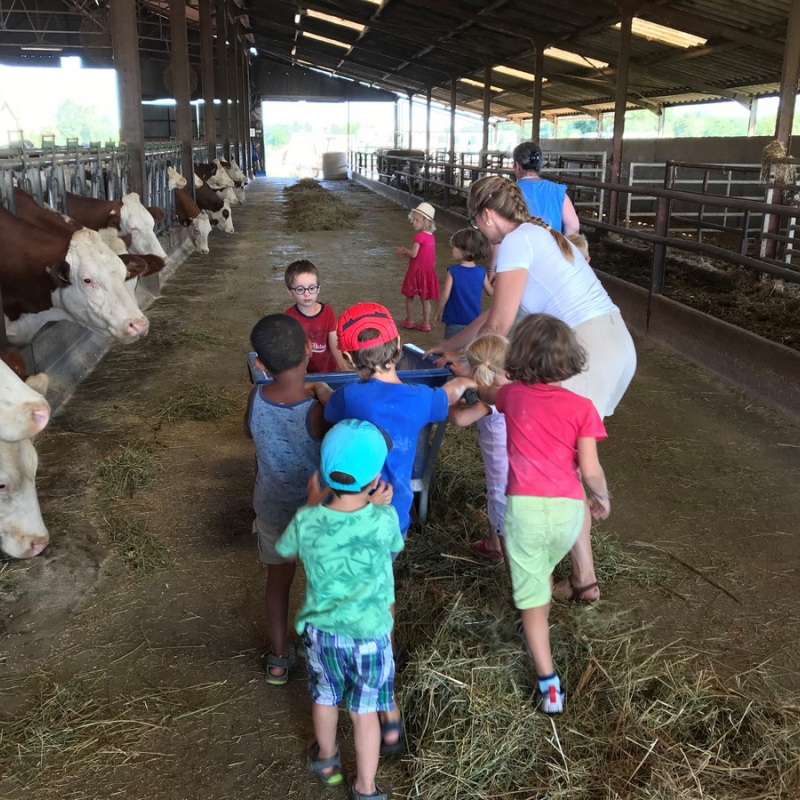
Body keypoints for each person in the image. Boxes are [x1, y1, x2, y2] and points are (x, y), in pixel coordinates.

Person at [426, 175, 636, 604]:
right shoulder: (543, 234)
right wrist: (447, 348)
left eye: (475, 221)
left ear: (486, 216)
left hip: (585, 347)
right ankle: (583, 580)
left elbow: (501, 326)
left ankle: (582, 581)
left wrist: (467, 373)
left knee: (565, 467)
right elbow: (497, 319)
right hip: (614, 343)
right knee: (571, 462)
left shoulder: (517, 242)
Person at [476, 314, 611, 715]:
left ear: (518, 355)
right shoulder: (583, 407)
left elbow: (487, 395)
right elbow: (589, 469)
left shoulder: (513, 396)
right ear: (569, 358)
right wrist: (601, 497)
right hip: (569, 510)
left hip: (525, 511)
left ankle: (549, 684)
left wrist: (473, 377)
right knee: (546, 564)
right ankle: (560, 588)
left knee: (532, 600)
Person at [276, 420, 401, 800]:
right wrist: (374, 506)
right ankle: (366, 787)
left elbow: (284, 551)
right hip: (371, 635)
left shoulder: (308, 520)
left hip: (322, 634)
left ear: (324, 470)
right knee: (365, 712)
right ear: (376, 477)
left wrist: (312, 505)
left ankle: (327, 759)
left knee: (325, 696)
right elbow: (391, 547)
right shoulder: (385, 519)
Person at [244, 314, 332, 686]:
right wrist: (326, 396)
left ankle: (279, 659)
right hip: (316, 515)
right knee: (321, 585)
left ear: (260, 365)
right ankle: (323, 656)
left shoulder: (256, 396)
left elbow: (248, 431)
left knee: (277, 584)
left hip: (272, 508)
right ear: (309, 349)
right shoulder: (316, 410)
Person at [448, 334, 509, 564]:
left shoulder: (488, 403)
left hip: (503, 478)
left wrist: (454, 397)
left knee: (504, 518)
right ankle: (493, 545)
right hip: (522, 472)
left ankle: (512, 570)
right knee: (493, 502)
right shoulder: (516, 391)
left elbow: (460, 420)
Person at [283, 259, 348, 373]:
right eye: (300, 289)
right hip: (303, 374)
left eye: (311, 288)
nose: (307, 294)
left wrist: (344, 368)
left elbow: (335, 344)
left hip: (329, 372)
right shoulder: (288, 318)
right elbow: (291, 351)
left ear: (318, 288)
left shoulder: (328, 313)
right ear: (290, 291)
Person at [434, 228, 494, 340]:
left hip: (454, 321)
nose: (452, 250)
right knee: (465, 354)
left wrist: (437, 312)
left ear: (464, 250)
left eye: (454, 247)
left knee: (449, 351)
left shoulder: (453, 271)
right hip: (473, 323)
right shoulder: (481, 272)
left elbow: (444, 296)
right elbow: (491, 292)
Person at [512, 141, 580, 236]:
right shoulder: (558, 191)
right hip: (553, 247)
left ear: (517, 166)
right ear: (539, 165)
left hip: (520, 248)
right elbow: (573, 227)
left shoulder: (509, 190)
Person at [395, 202, 439, 332]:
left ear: (425, 221)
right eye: (413, 219)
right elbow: (432, 257)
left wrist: (404, 251)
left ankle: (410, 320)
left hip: (416, 272)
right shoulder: (431, 237)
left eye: (417, 220)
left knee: (410, 297)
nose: (414, 222)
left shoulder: (419, 236)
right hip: (427, 272)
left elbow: (414, 254)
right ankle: (426, 323)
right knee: (425, 299)